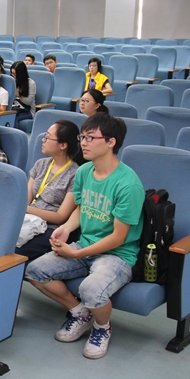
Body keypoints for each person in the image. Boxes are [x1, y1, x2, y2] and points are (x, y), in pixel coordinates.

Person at [25, 113, 144, 359]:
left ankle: (102, 327)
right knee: (34, 271)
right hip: (84, 244)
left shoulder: (128, 184)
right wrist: (67, 229)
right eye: (83, 137)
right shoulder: (85, 172)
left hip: (116, 255)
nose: (84, 143)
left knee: (91, 289)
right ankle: (81, 313)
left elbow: (119, 238)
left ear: (110, 142)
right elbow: (81, 208)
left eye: (90, 138)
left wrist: (77, 253)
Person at [17, 120, 82, 261]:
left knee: (15, 250)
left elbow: (60, 216)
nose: (43, 140)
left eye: (47, 137)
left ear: (63, 145)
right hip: (28, 219)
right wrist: (25, 209)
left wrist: (26, 209)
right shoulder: (40, 164)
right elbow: (26, 199)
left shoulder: (75, 174)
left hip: (51, 228)